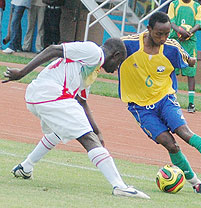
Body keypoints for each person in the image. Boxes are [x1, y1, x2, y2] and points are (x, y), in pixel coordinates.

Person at [2, 38, 150, 199]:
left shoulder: (91, 69)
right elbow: (53, 49)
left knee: (59, 132)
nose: (116, 69)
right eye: (119, 63)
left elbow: (82, 102)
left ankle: (26, 167)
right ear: (116, 55)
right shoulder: (93, 51)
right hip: (52, 94)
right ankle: (120, 186)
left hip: (38, 96)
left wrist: (98, 132)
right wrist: (21, 73)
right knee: (87, 138)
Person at [119, 11, 201, 194]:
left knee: (184, 132)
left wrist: (191, 60)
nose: (163, 38)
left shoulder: (171, 47)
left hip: (164, 98)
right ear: (149, 29)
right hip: (140, 107)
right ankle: (196, 183)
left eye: (167, 34)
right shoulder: (128, 44)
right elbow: (108, 49)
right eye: (158, 33)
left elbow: (189, 60)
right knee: (169, 143)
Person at [168, 0, 201, 113]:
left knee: (191, 72)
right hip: (175, 40)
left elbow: (198, 24)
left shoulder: (196, 6)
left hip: (190, 43)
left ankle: (191, 103)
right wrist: (180, 31)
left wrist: (188, 33)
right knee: (171, 70)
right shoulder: (174, 4)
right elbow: (171, 22)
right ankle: (170, 99)